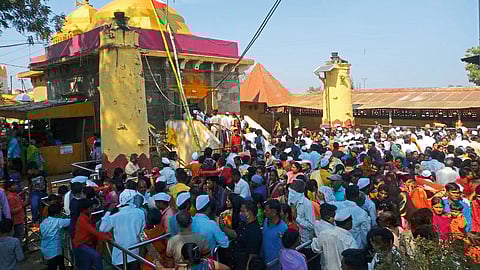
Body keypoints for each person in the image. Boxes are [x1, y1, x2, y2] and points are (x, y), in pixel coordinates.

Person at [99, 189, 146, 269]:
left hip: (119, 256)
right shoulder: (140, 212)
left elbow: (102, 228)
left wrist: (108, 212)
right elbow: (142, 228)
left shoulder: (115, 217)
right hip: (134, 253)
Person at [220, 199, 262, 270]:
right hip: (236, 263)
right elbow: (235, 234)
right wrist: (223, 228)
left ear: (250, 213)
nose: (240, 213)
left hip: (243, 265)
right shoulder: (244, 223)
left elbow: (252, 255)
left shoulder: (254, 231)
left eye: (242, 211)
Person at [72, 198, 112, 270]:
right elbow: (93, 231)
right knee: (96, 256)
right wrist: (106, 236)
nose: (93, 209)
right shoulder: (82, 219)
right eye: (90, 208)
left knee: (87, 265)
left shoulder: (87, 216)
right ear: (85, 210)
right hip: (81, 245)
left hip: (86, 244)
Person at [40, 204, 71, 270]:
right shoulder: (58, 221)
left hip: (46, 248)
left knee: (60, 263)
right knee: (52, 267)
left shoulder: (43, 222)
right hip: (54, 250)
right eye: (60, 212)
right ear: (57, 214)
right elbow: (71, 221)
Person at [262, 199, 288, 270]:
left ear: (274, 212)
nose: (264, 212)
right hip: (265, 263)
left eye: (266, 210)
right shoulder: (266, 221)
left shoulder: (284, 228)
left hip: (276, 265)